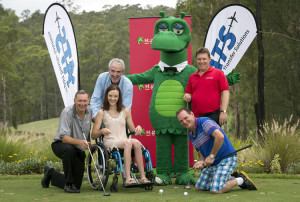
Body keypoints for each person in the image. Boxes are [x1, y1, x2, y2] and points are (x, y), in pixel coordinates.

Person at [176, 108, 257, 194]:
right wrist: (202, 162)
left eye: (185, 118)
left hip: (226, 159)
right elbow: (200, 152)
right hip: (213, 163)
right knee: (199, 187)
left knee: (216, 189)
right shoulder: (191, 135)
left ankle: (241, 180)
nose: (184, 122)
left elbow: (220, 136)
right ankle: (228, 178)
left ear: (192, 114)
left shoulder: (204, 122)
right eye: (181, 121)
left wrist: (211, 156)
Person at [91, 84, 150, 185]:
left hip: (123, 139)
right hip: (110, 141)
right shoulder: (102, 112)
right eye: (110, 96)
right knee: (128, 143)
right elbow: (93, 135)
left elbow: (133, 130)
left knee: (136, 142)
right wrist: (101, 131)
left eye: (115, 96)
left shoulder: (125, 111)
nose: (113, 98)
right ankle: (128, 178)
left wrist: (138, 128)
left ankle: (143, 177)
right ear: (106, 96)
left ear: (119, 97)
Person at [41, 90, 92, 193]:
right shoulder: (67, 112)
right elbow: (64, 138)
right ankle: (68, 185)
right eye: (80, 101)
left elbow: (87, 130)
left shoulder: (89, 111)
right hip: (60, 144)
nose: (82, 104)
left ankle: (50, 174)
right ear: (75, 101)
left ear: (88, 101)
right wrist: (79, 142)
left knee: (77, 185)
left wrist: (89, 143)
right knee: (69, 149)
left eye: (85, 101)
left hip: (77, 147)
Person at [183, 47, 230, 126]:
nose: (201, 62)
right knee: (198, 139)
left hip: (213, 116)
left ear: (209, 59)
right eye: (199, 59)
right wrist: (187, 96)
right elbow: (188, 93)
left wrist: (223, 111)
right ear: (196, 60)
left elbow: (225, 92)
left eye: (204, 59)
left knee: (213, 138)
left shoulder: (218, 73)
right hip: (196, 117)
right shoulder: (192, 77)